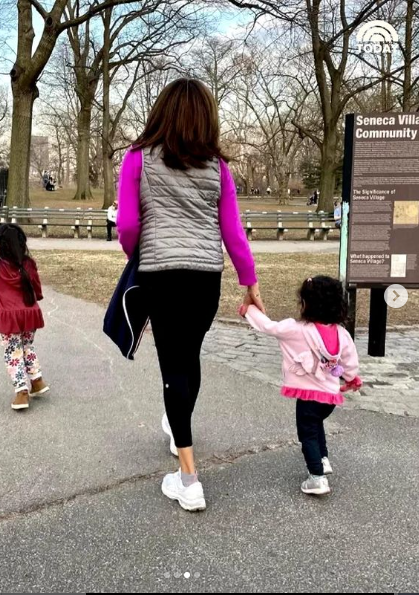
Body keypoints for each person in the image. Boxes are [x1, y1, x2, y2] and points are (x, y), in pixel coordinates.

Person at [117, 78, 264, 512]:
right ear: (205, 119)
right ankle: (176, 423)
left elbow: (127, 227)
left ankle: (189, 478)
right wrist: (249, 281)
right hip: (205, 277)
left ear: (161, 112)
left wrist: (136, 255)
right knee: (190, 358)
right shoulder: (217, 167)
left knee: (171, 366)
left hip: (161, 273)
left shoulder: (137, 160)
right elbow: (233, 231)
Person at [240, 275, 362, 496]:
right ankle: (323, 459)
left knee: (307, 433)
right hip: (329, 398)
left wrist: (248, 309)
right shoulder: (342, 334)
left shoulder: (295, 330)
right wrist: (352, 379)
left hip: (308, 399)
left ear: (306, 304)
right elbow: (350, 362)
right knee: (316, 426)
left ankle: (317, 477)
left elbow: (268, 327)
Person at [0, 224, 49, 411]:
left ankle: (22, 392)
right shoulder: (29, 264)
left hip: (9, 317)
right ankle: (37, 381)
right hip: (30, 313)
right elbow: (37, 289)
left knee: (13, 353)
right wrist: (35, 300)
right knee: (27, 347)